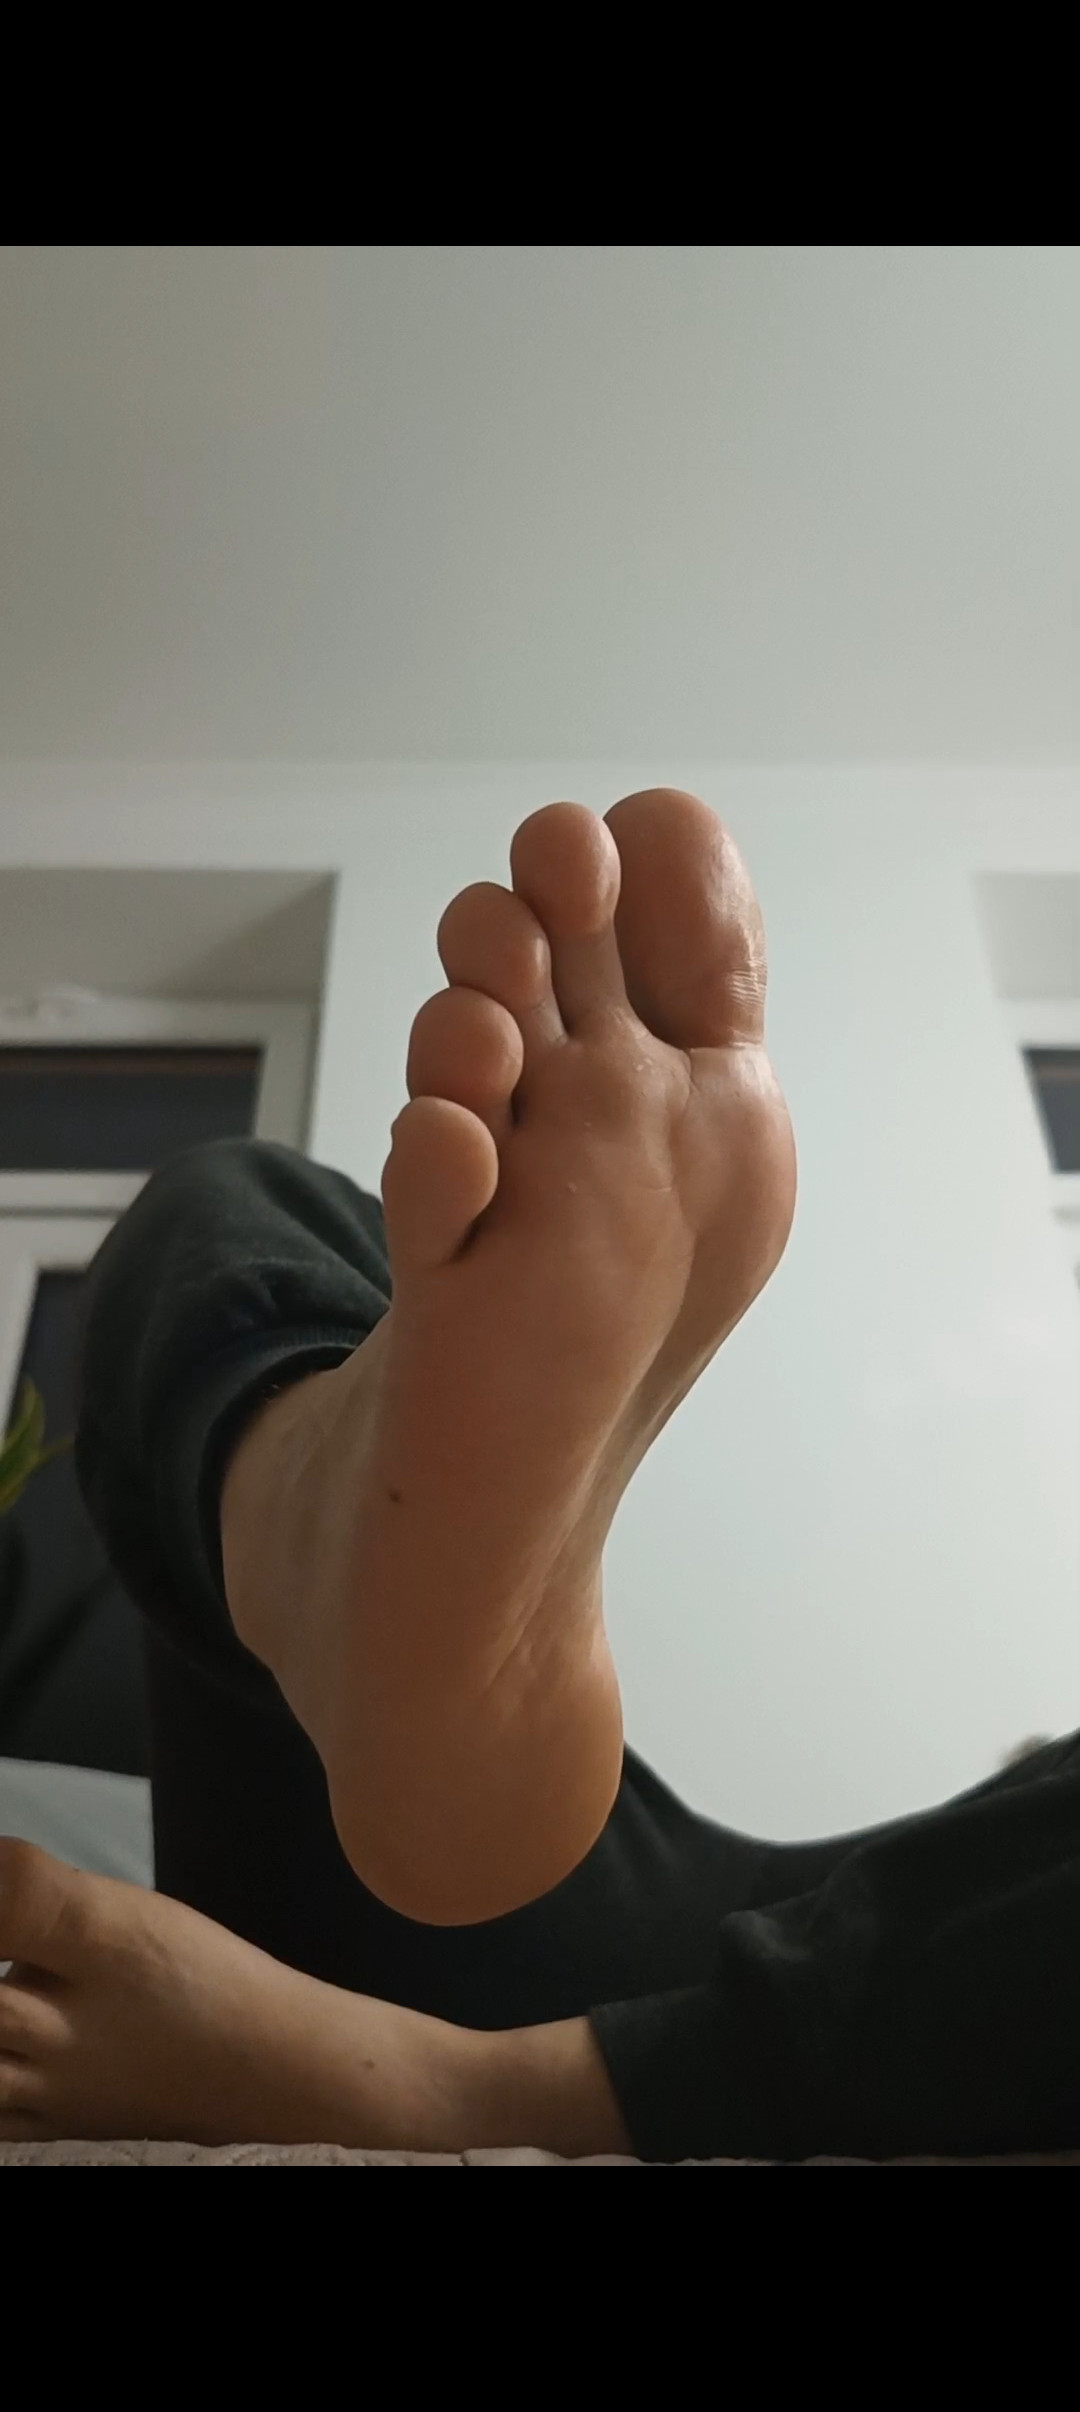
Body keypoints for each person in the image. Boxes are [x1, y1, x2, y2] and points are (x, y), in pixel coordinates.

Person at [1, 789, 1079, 2161]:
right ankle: (302, 1534)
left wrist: (420, 2088)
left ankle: (341, 1591)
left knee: (209, 1202)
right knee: (236, 1211)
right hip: (764, 1936)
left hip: (652, 2031)